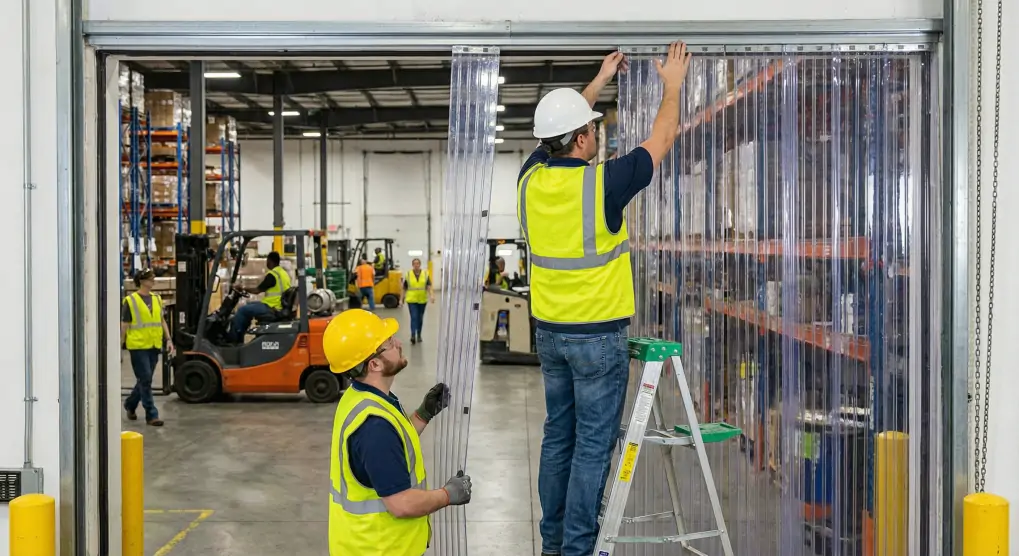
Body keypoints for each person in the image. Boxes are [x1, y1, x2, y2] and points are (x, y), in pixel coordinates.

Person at [518, 43, 692, 556]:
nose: (599, 133)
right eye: (592, 127)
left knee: (558, 442)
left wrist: (596, 81)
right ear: (580, 138)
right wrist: (673, 84)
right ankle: (576, 550)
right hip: (597, 338)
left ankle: (554, 545)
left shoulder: (529, 180)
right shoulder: (605, 184)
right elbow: (662, 137)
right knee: (593, 447)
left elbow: (556, 133)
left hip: (550, 335)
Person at [322, 309, 473, 555]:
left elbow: (394, 447)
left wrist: (423, 414)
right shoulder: (374, 426)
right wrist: (448, 494)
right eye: (389, 343)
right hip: (382, 548)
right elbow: (401, 504)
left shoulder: (362, 397)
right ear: (374, 363)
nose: (399, 344)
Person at [121, 268, 174, 427]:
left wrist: (169, 339)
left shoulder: (157, 299)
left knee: (145, 379)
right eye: (151, 279)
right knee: (145, 378)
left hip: (154, 344)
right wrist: (119, 346)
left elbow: (162, 321)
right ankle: (152, 414)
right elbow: (124, 325)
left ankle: (130, 404)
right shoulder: (130, 301)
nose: (154, 281)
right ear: (143, 281)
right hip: (137, 346)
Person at [229, 251, 292, 343]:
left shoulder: (273, 275)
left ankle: (233, 340)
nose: (267, 263)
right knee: (249, 306)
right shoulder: (283, 273)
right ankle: (240, 338)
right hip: (278, 305)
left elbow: (257, 290)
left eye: (267, 261)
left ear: (270, 261)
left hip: (272, 307)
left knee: (242, 310)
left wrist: (242, 288)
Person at [401, 258, 434, 345]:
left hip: (422, 300)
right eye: (414, 264)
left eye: (418, 263)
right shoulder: (408, 274)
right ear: (412, 265)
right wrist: (401, 299)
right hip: (411, 300)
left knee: (420, 318)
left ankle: (419, 334)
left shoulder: (425, 274)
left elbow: (429, 286)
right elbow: (404, 288)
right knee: (414, 317)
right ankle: (413, 335)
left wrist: (432, 296)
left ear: (420, 264)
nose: (416, 265)